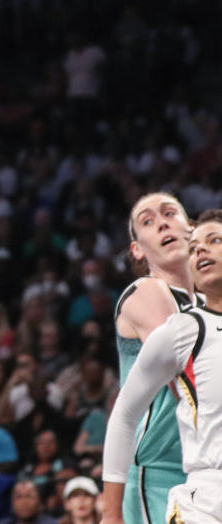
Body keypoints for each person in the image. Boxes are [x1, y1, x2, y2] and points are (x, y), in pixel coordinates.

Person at [102, 208, 222, 524]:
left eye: (214, 241)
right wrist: (111, 514)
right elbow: (125, 413)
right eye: (194, 248)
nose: (202, 251)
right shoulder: (183, 329)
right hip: (204, 498)